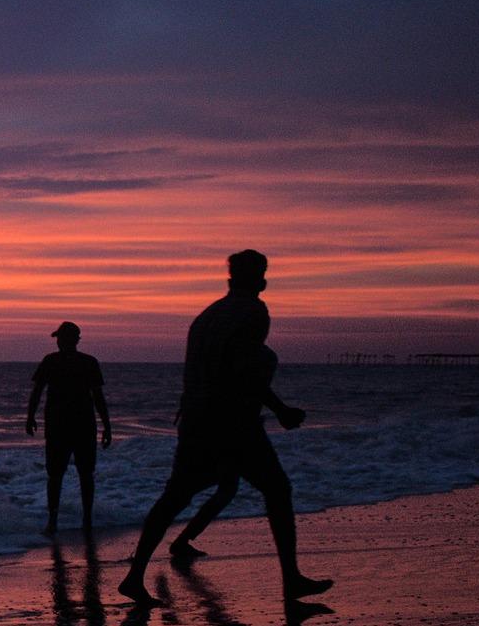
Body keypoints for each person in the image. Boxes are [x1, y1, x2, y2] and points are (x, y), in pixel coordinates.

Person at [117, 250, 331, 605]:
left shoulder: (207, 316)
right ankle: (291, 579)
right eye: (262, 273)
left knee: (175, 496)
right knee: (277, 489)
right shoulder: (252, 311)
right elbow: (242, 369)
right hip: (232, 421)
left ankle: (135, 575)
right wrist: (280, 409)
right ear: (257, 278)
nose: (264, 280)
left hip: (195, 419)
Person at [169, 345, 305, 561]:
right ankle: (175, 543)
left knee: (223, 488)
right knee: (254, 488)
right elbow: (257, 388)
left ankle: (180, 541)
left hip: (219, 431)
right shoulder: (253, 358)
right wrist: (281, 411)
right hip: (232, 433)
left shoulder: (224, 356)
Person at [26, 321, 113, 533]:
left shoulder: (81, 362)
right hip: (68, 424)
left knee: (77, 474)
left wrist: (107, 426)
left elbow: (98, 396)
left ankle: (77, 520)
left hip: (71, 425)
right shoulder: (58, 361)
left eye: (61, 338)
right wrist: (30, 416)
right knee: (62, 474)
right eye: (58, 338)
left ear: (72, 340)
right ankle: (61, 520)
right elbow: (37, 392)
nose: (59, 342)